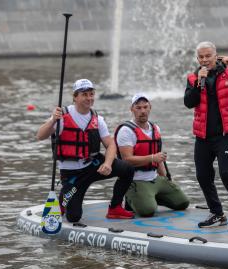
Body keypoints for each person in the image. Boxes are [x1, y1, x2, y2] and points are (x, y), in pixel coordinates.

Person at [36, 78, 135, 223]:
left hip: (93, 166)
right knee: (74, 217)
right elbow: (40, 135)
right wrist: (52, 121)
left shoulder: (97, 119)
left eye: (91, 94)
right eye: (84, 94)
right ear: (75, 97)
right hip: (72, 176)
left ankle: (114, 208)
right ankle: (64, 199)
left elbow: (111, 144)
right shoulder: (61, 117)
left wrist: (107, 163)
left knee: (127, 169)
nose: (89, 98)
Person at [184, 41, 228, 231]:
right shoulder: (193, 77)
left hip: (225, 134)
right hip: (203, 136)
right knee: (202, 175)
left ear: (216, 56)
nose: (205, 60)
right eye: (201, 57)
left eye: (208, 56)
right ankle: (217, 213)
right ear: (197, 58)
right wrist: (199, 83)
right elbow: (189, 103)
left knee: (226, 172)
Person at [114, 93, 190, 217]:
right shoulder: (126, 131)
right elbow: (127, 160)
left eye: (145, 107)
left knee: (183, 203)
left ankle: (150, 197)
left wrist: (165, 178)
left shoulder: (155, 128)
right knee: (147, 211)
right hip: (136, 180)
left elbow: (159, 158)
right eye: (138, 108)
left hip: (155, 179)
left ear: (150, 107)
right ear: (132, 109)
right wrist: (152, 158)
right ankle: (131, 198)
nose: (142, 111)